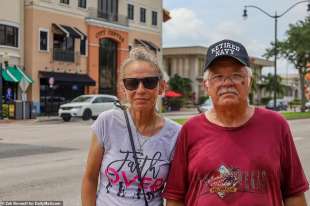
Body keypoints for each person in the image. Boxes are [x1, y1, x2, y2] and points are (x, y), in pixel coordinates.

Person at [163, 39, 309, 206]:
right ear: (206, 86)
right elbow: (175, 197)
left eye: (236, 75)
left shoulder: (276, 124)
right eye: (217, 76)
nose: (227, 82)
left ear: (249, 82)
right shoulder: (191, 129)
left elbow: (294, 193)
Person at [81, 47, 181, 206]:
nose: (140, 90)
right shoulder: (107, 122)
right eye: (132, 83)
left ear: (161, 87)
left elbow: (176, 194)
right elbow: (90, 178)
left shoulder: (176, 133)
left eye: (149, 82)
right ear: (123, 88)